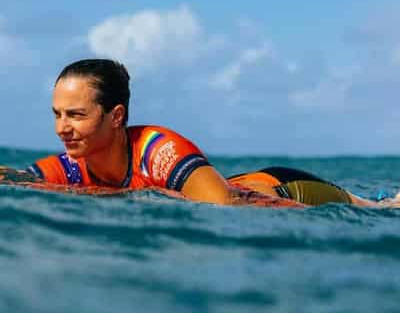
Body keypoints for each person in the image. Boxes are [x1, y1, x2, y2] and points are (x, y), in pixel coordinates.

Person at [26, 59, 377, 207]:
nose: (62, 128)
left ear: (116, 116)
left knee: (382, 209)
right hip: (244, 180)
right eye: (57, 115)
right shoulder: (72, 166)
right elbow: (11, 180)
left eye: (75, 115)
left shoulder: (158, 151)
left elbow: (222, 206)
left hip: (292, 190)